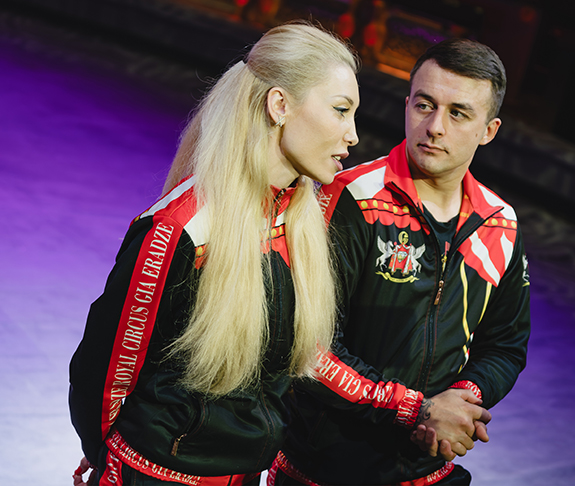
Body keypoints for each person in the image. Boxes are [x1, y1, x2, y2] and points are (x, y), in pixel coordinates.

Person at [68, 22, 360, 486]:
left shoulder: (299, 227)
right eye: (341, 110)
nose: (353, 135)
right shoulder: (180, 228)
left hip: (243, 475)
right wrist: (105, 459)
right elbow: (104, 373)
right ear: (279, 105)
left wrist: (405, 406)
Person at [268, 38, 530, 485]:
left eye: (458, 113)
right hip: (324, 473)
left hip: (430, 471)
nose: (435, 127)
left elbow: (505, 346)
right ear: (406, 105)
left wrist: (460, 401)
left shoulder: (499, 223)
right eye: (425, 105)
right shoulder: (350, 199)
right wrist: (418, 411)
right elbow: (308, 349)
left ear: (489, 130)